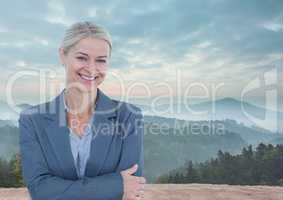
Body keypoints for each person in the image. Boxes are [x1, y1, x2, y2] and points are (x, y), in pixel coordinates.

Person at [18, 21, 146, 200]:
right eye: (82, 58)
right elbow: (40, 190)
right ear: (63, 55)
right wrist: (115, 185)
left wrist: (61, 190)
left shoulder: (129, 116)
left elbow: (132, 189)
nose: (92, 69)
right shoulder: (31, 120)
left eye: (101, 60)